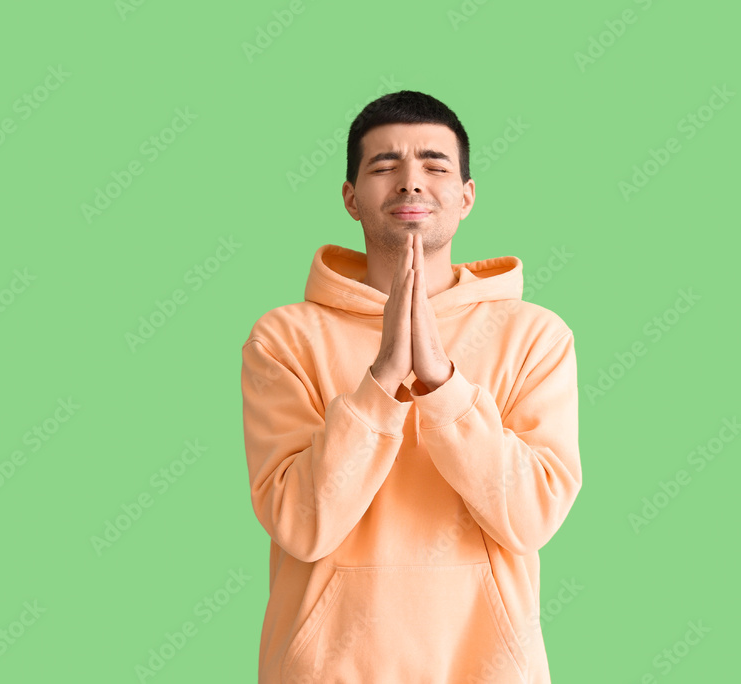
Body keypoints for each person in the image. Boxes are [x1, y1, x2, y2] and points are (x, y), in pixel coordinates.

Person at [241, 90, 582, 683]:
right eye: (383, 165)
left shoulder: (535, 336)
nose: (410, 182)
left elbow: (531, 518)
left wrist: (442, 385)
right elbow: (302, 523)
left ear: (467, 196)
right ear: (350, 197)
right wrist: (380, 384)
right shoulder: (285, 338)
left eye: (434, 164)